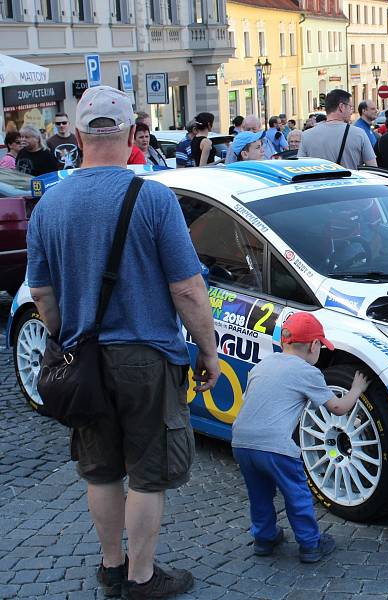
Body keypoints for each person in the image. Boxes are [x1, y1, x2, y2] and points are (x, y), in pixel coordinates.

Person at [26, 85, 219, 599]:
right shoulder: (153, 197)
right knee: (148, 473)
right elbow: (187, 289)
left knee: (101, 468)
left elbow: (42, 294)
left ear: (78, 135)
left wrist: (69, 333)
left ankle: (112, 566)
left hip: (83, 357)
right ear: (133, 133)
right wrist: (207, 350)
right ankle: (142, 577)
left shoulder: (51, 205)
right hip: (146, 356)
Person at [232, 312, 368, 562]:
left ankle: (264, 538)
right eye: (321, 347)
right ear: (314, 345)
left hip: (241, 442)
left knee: (259, 494)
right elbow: (337, 408)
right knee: (297, 494)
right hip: (276, 447)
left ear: (284, 342)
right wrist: (356, 390)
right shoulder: (308, 371)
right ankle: (310, 544)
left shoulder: (262, 365)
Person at [298, 89, 377, 170]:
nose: (351, 112)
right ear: (341, 107)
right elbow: (373, 169)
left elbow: (300, 168)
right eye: (350, 107)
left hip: (317, 182)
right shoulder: (359, 134)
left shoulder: (306, 135)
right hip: (350, 182)